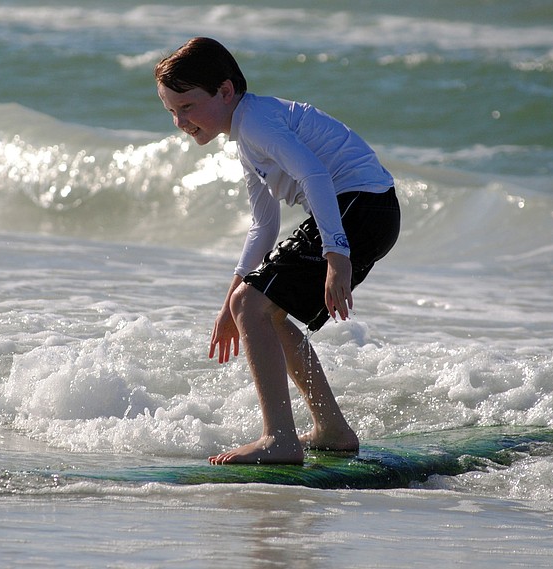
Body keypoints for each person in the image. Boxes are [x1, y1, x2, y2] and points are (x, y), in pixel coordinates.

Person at [155, 37, 400, 465]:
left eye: (188, 106)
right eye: (171, 111)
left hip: (360, 205)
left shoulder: (257, 124)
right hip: (366, 210)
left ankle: (279, 439)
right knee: (261, 309)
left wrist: (336, 253)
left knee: (252, 305)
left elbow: (315, 175)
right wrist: (228, 303)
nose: (180, 121)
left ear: (225, 91)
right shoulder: (248, 135)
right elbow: (263, 226)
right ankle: (331, 429)